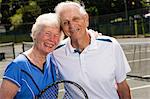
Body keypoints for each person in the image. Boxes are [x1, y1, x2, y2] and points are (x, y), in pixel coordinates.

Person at [49, 1, 131, 99]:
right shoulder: (56, 53)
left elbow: (122, 87)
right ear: (61, 28)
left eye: (76, 19)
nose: (72, 26)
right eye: (65, 22)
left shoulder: (111, 45)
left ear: (86, 19)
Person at [0, 13, 62, 99]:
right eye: (47, 33)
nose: (52, 39)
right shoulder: (17, 66)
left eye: (56, 35)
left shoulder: (53, 62)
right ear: (35, 34)